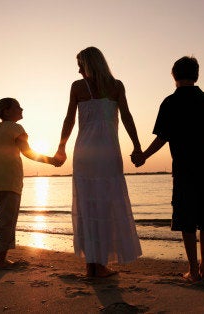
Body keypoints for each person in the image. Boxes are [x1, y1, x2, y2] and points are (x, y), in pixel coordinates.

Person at [132, 56, 204, 282]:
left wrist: (143, 155)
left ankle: (193, 270)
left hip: (184, 171)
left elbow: (162, 138)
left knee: (187, 220)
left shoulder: (169, 103)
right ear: (196, 74)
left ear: (174, 75)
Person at [54, 47, 143, 277]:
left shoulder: (78, 87)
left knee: (87, 206)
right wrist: (137, 146)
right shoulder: (116, 85)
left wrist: (61, 148)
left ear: (89, 65)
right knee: (105, 205)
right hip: (107, 153)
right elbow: (127, 117)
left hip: (84, 153)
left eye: (80, 65)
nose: (78, 69)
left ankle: (92, 265)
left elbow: (69, 119)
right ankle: (98, 265)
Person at [0, 98, 59, 268]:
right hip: (10, 180)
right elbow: (27, 152)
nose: (22, 108)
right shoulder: (16, 128)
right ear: (6, 111)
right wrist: (51, 160)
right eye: (17, 107)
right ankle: (1, 260)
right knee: (8, 220)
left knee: (3, 217)